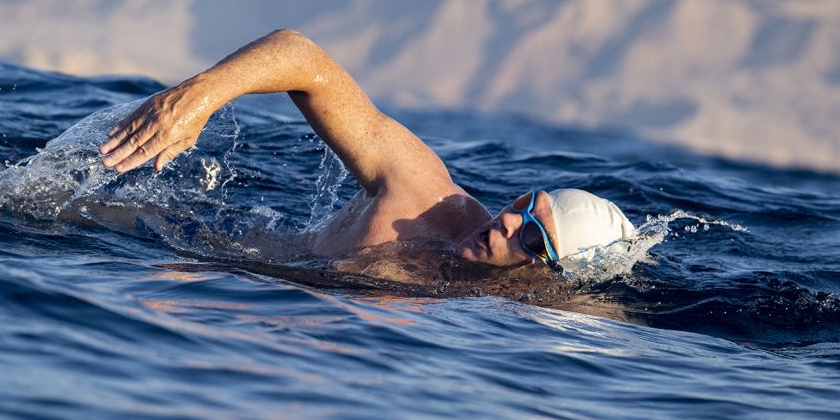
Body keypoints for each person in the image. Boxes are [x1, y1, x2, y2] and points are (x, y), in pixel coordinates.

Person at [99, 29, 635, 270]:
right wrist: (200, 96)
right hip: (194, 248)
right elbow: (301, 57)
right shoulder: (426, 198)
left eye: (535, 239)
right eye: (525, 206)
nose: (509, 223)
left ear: (550, 275)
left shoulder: (512, 311)